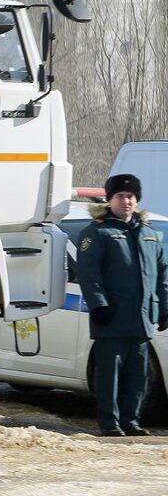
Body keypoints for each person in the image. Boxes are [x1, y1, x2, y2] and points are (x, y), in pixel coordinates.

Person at [77, 173, 168, 437]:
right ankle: (109, 423)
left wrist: (164, 308)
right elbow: (89, 274)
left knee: (137, 376)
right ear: (110, 199)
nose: (126, 201)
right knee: (109, 376)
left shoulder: (149, 235)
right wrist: (99, 305)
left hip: (141, 320)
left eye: (130, 196)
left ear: (136, 199)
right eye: (120, 196)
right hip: (112, 318)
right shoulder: (97, 232)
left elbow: (162, 275)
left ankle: (131, 421)